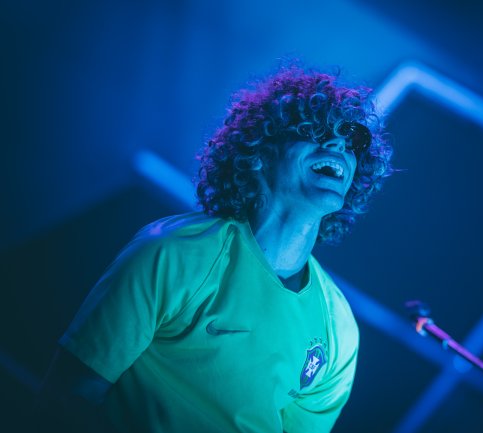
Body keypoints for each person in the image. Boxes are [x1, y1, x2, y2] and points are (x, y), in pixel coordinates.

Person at [36, 63, 393, 433]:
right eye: (314, 130)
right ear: (259, 152)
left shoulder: (339, 328)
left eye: (353, 140)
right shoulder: (174, 253)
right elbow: (66, 399)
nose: (338, 144)